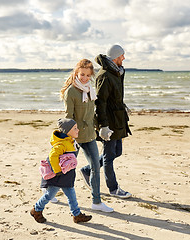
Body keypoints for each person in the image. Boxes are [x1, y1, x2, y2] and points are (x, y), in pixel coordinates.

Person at [60, 59, 114, 213]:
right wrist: (70, 137)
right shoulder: (71, 91)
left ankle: (96, 202)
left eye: (87, 75)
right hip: (75, 137)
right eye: (81, 74)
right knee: (65, 168)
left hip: (89, 135)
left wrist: (103, 128)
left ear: (91, 75)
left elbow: (92, 113)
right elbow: (68, 117)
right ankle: (49, 191)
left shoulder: (90, 89)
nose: (84, 78)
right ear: (76, 73)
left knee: (96, 167)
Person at [80, 45, 132, 199]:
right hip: (109, 122)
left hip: (118, 119)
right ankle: (113, 188)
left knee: (117, 152)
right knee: (109, 156)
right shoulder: (105, 75)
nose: (124, 58)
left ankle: (88, 170)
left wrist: (122, 106)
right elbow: (100, 102)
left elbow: (114, 97)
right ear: (115, 56)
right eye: (122, 55)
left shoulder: (117, 72)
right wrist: (103, 126)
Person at [30, 118, 92, 223]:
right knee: (50, 195)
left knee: (68, 194)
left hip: (66, 175)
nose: (78, 130)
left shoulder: (69, 141)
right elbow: (52, 156)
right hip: (59, 176)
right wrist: (57, 171)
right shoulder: (61, 144)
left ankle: (76, 214)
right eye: (75, 128)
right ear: (67, 131)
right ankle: (36, 210)